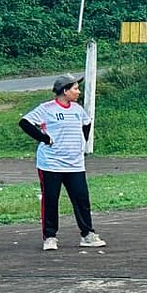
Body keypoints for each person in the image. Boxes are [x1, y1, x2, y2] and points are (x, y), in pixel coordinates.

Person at [18, 74, 106, 251]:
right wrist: (44, 138)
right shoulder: (46, 108)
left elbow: (86, 124)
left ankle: (87, 234)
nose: (78, 92)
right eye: (75, 88)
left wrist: (81, 144)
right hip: (51, 164)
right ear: (65, 91)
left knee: (81, 199)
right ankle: (50, 237)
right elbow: (25, 123)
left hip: (75, 164)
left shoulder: (77, 109)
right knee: (51, 199)